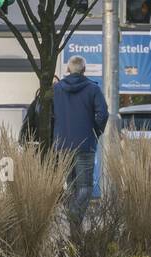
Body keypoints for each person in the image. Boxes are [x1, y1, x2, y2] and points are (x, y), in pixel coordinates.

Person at [52, 56, 109, 223]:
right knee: (85, 187)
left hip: (63, 144)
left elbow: (51, 114)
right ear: (84, 70)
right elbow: (103, 114)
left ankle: (74, 225)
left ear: (68, 70)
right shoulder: (93, 89)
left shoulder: (57, 89)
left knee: (71, 186)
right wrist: (95, 131)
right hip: (85, 144)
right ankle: (74, 215)